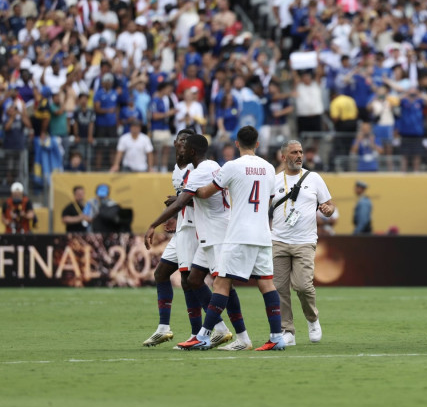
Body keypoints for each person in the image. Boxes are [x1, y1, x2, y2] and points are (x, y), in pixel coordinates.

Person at [174, 126, 287, 351]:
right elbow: (269, 201)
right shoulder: (268, 168)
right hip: (263, 233)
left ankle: (204, 335)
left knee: (221, 283)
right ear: (257, 144)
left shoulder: (232, 166)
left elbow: (206, 193)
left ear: (236, 144)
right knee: (266, 283)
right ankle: (276, 337)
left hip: (238, 234)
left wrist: (186, 192)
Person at [142, 131, 237, 349]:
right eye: (180, 141)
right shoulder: (179, 169)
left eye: (187, 142)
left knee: (192, 280)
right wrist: (176, 217)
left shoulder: (199, 167)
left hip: (198, 228)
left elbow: (189, 199)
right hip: (184, 226)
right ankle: (164, 327)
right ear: (176, 143)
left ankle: (206, 331)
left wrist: (170, 213)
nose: (182, 145)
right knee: (162, 273)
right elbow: (183, 200)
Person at [271, 139, 334, 346]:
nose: (299, 156)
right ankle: (287, 329)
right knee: (280, 288)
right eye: (294, 153)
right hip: (278, 240)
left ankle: (312, 318)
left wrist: (327, 210)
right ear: (283, 157)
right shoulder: (274, 180)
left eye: (300, 152)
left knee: (303, 285)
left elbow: (329, 205)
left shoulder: (314, 178)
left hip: (305, 241)